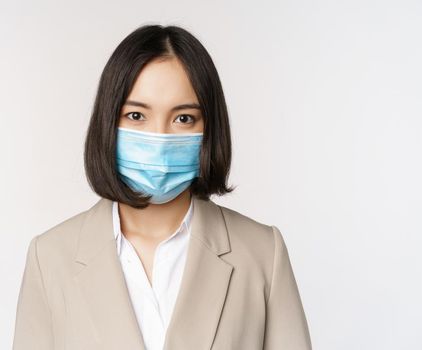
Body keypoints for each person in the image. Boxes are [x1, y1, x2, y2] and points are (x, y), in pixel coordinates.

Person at [12, 24, 312, 350]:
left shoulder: (263, 253)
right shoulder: (51, 257)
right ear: (108, 122)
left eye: (183, 118)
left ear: (209, 129)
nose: (160, 139)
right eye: (137, 115)